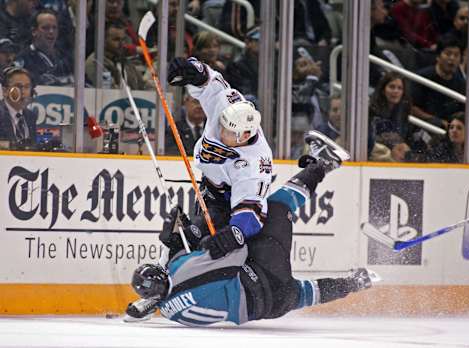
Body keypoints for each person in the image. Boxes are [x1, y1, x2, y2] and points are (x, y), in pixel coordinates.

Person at [125, 131, 372, 326]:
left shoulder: (169, 311)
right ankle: (324, 163)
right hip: (262, 277)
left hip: (269, 306)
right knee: (275, 207)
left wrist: (182, 241)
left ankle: (357, 282)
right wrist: (194, 238)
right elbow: (237, 250)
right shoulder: (181, 271)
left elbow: (177, 288)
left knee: (302, 294)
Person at [165, 56, 272, 255]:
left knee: (199, 242)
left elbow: (251, 209)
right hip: (210, 187)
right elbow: (211, 83)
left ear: (245, 135)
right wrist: (194, 72)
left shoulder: (254, 164)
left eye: (229, 132)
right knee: (187, 237)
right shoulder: (230, 106)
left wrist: (235, 232)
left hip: (228, 202)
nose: (221, 132)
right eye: (222, 125)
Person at [411, 34, 465, 129]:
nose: (452, 58)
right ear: (438, 56)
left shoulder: (461, 83)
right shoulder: (422, 77)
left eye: (456, 55)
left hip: (450, 131)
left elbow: (463, 112)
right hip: (422, 127)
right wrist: (436, 121)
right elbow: (412, 108)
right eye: (448, 54)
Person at [15, 8, 74, 86]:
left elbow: (87, 85)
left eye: (54, 28)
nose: (51, 32)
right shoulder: (23, 59)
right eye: (46, 28)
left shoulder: (66, 58)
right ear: (34, 31)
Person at [85, 20, 145, 90]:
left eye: (123, 39)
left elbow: (142, 86)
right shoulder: (95, 62)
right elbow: (109, 92)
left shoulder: (125, 62)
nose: (121, 44)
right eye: (116, 39)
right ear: (103, 41)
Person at [369, 72, 413, 162]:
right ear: (383, 90)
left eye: (399, 88)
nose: (396, 91)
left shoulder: (404, 109)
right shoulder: (371, 109)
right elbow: (371, 139)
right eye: (392, 87)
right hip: (374, 152)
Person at [0, 66, 37, 149]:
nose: (23, 92)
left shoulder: (31, 116)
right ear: (5, 91)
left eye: (27, 87)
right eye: (18, 86)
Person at [165, 91, 206, 156]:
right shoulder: (174, 130)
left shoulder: (215, 129)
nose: (200, 106)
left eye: (204, 102)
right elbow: (172, 154)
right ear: (186, 103)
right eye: (196, 102)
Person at [225, 27, 259, 102]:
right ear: (247, 42)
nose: (262, 44)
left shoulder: (272, 63)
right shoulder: (236, 65)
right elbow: (244, 91)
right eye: (257, 41)